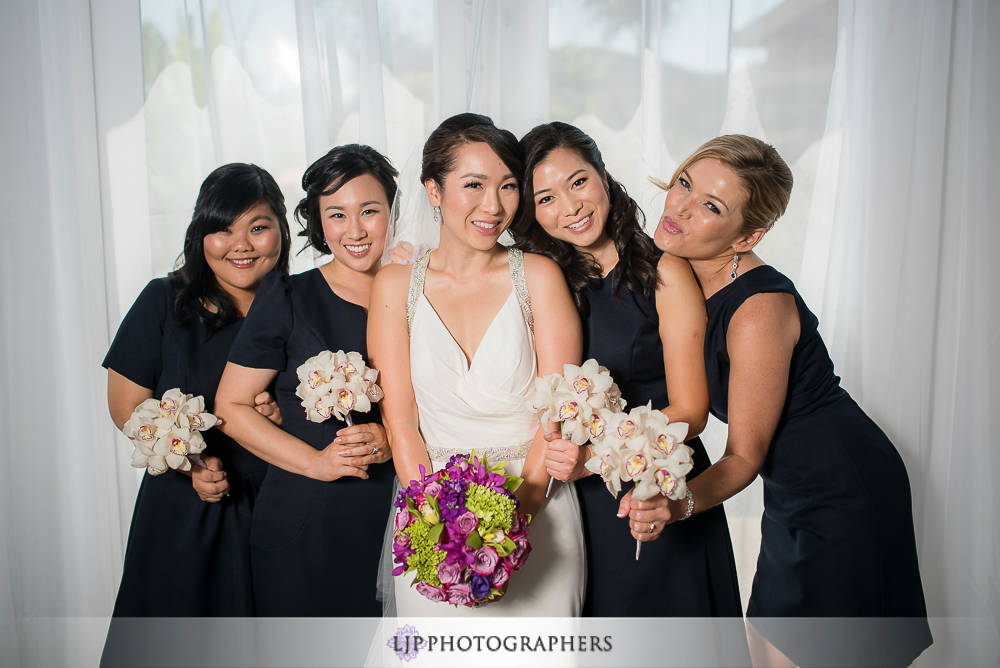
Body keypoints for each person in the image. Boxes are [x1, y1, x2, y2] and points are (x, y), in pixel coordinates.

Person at [644, 134, 932, 667]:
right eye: (685, 183)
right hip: (792, 492)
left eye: (711, 206)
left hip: (842, 489)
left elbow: (744, 457)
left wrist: (675, 504)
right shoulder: (681, 264)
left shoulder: (757, 310)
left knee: (818, 656)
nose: (681, 208)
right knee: (773, 648)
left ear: (747, 235)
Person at [513, 121, 745, 622]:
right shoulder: (536, 277)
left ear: (602, 176)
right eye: (546, 197)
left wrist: (593, 458)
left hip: (652, 483)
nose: (570, 206)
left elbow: (691, 410)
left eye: (578, 182)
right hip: (574, 504)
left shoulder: (663, 270)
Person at [369, 113, 586, 616]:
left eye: (508, 187)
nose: (493, 206)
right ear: (434, 191)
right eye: (474, 185)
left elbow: (555, 418)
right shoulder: (395, 286)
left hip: (538, 511)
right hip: (434, 522)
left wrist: (510, 528)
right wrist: (438, 526)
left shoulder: (540, 276)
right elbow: (400, 424)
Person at [101, 162, 290, 627]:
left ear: (281, 232)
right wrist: (191, 466)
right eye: (223, 229)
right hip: (184, 513)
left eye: (258, 227)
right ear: (200, 235)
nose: (241, 245)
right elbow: (126, 409)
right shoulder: (163, 302)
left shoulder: (300, 304)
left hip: (279, 509)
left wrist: (284, 416)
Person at [214, 145, 397, 616]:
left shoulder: (424, 290)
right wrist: (315, 462)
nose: (354, 231)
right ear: (319, 223)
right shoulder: (289, 295)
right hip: (306, 522)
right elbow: (230, 408)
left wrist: (391, 437)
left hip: (401, 514)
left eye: (369, 211)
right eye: (336, 215)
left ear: (392, 211)